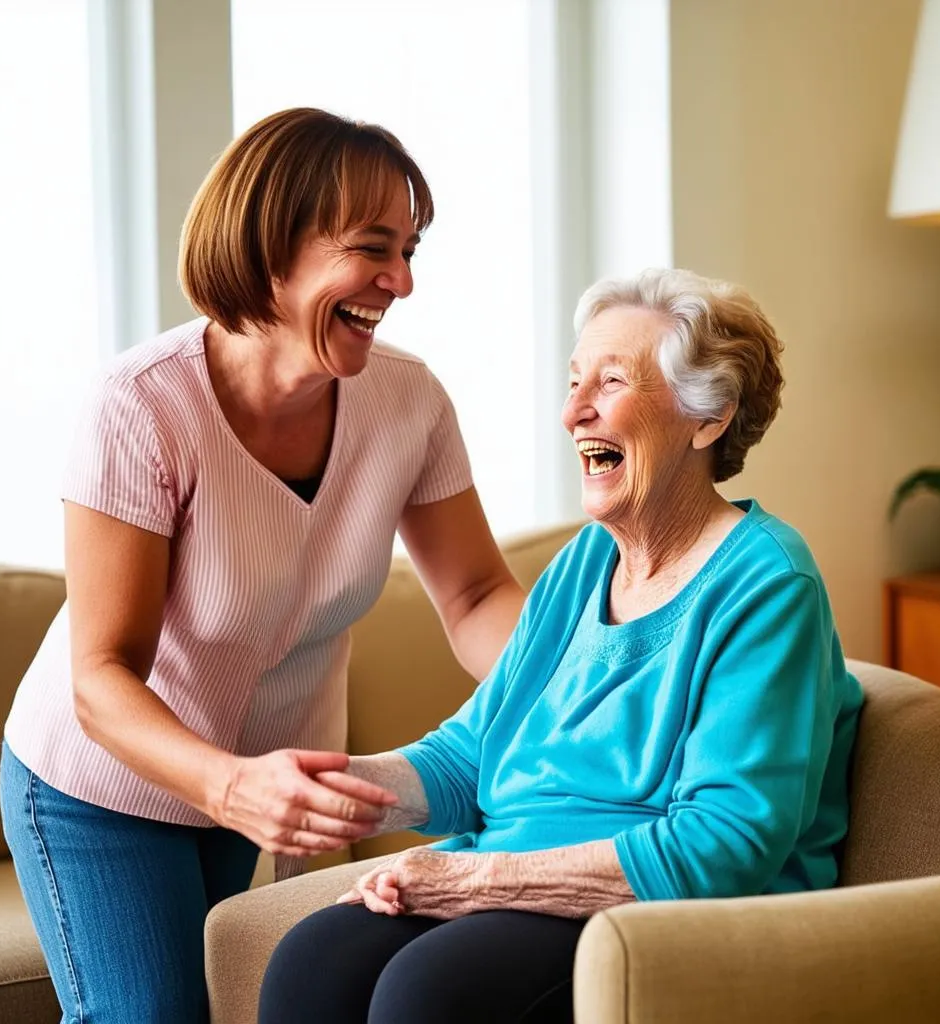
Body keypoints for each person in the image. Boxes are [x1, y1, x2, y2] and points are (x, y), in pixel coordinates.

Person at [0, 108, 526, 1024]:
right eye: (372, 248)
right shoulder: (142, 406)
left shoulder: (409, 401)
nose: (400, 281)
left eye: (409, 250)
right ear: (272, 246)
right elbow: (100, 675)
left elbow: (477, 594)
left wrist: (590, 680)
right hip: (100, 788)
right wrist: (232, 786)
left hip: (252, 793)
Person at [257, 268, 865, 1024]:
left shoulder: (767, 584)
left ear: (707, 419)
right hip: (517, 878)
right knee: (312, 962)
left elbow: (725, 842)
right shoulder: (583, 564)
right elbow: (473, 753)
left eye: (611, 382)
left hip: (651, 912)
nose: (574, 411)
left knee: (429, 994)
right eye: (575, 381)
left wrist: (475, 881)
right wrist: (335, 792)